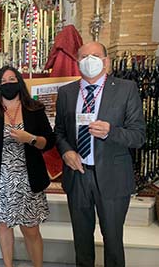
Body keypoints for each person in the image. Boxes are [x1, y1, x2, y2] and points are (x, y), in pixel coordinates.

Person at [55, 41, 146, 267]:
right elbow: (59, 132)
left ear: (106, 61)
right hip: (78, 175)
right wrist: (66, 151)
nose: (89, 61)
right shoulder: (67, 92)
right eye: (83, 57)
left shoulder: (126, 89)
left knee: (113, 241)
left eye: (94, 56)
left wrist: (110, 131)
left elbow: (138, 136)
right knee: (82, 241)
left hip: (113, 176)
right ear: (77, 63)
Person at [0, 66, 55, 267]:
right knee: (4, 224)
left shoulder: (34, 109)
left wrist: (31, 138)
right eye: (3, 80)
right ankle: (8, 265)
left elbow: (49, 141)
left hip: (28, 177)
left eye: (12, 79)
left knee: (31, 228)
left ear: (19, 81)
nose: (8, 83)